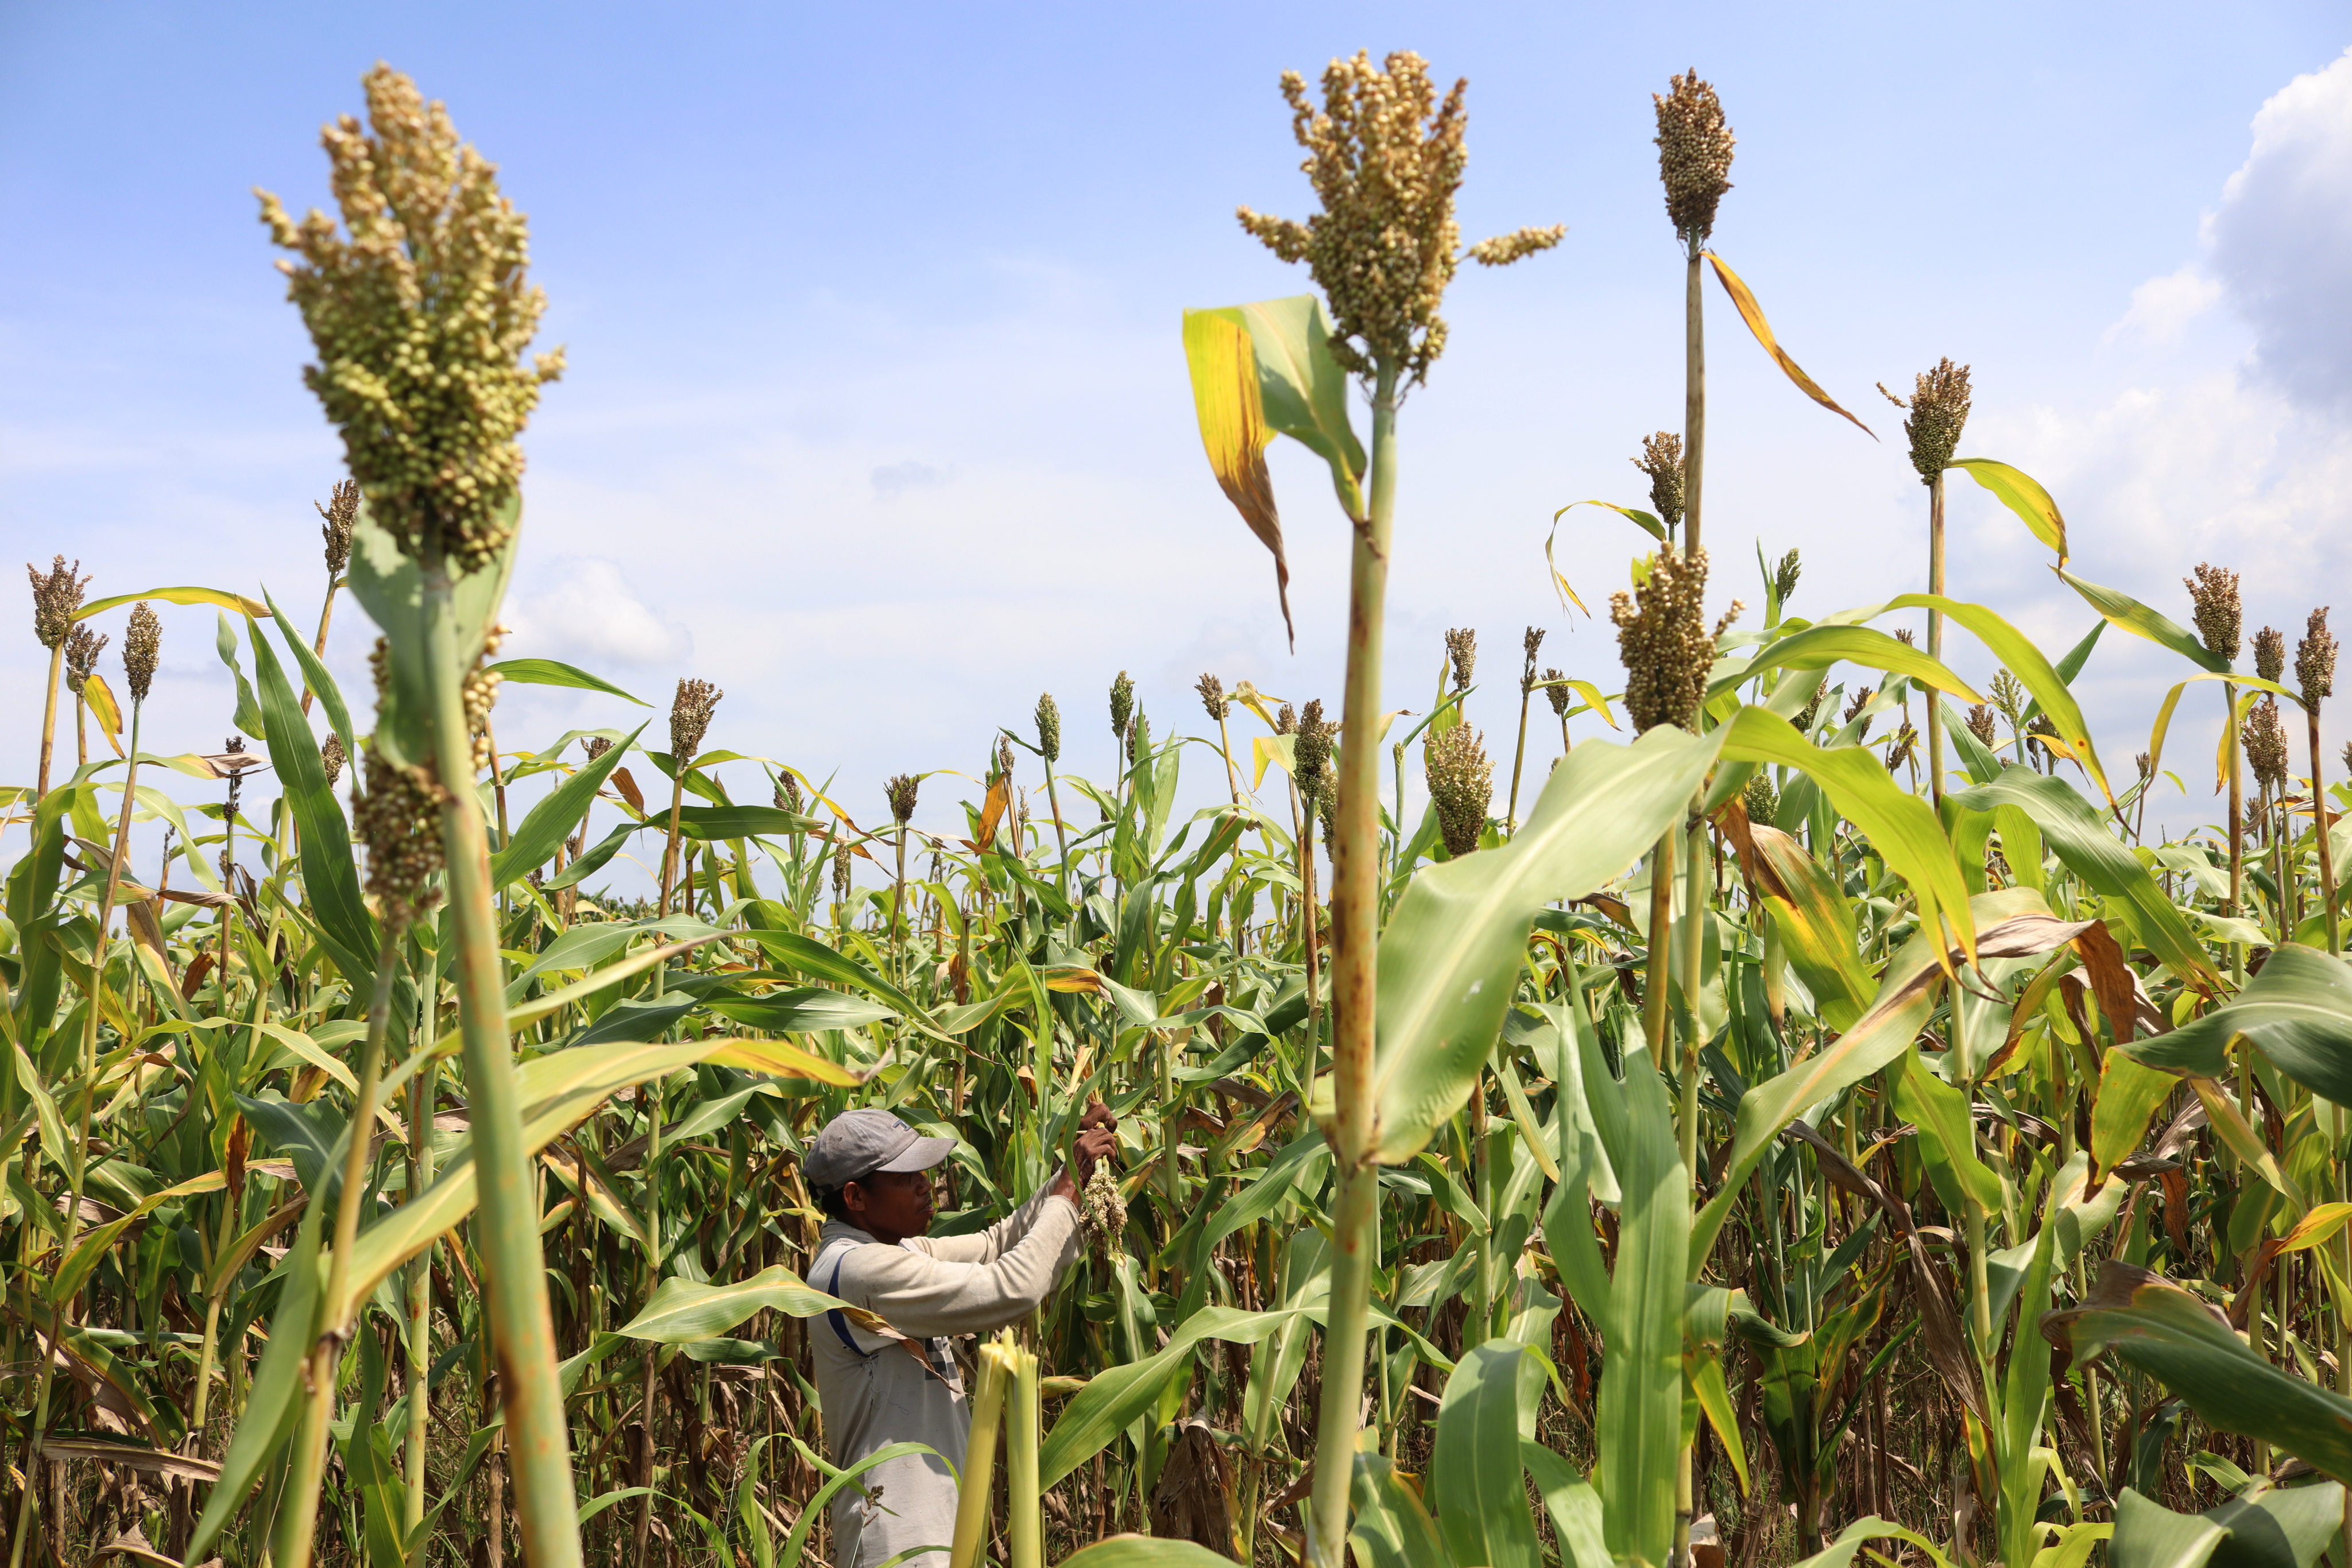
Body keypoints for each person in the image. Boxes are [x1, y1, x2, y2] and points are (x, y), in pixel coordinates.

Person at [804, 1104, 1117, 1568]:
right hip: (898, 1539)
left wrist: (1068, 1172)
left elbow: (997, 1245)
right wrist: (1069, 1194)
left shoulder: (895, 1249)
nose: (924, 1182)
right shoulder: (858, 1271)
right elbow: (1014, 1286)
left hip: (935, 1531)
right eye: (904, 1175)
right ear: (855, 1196)